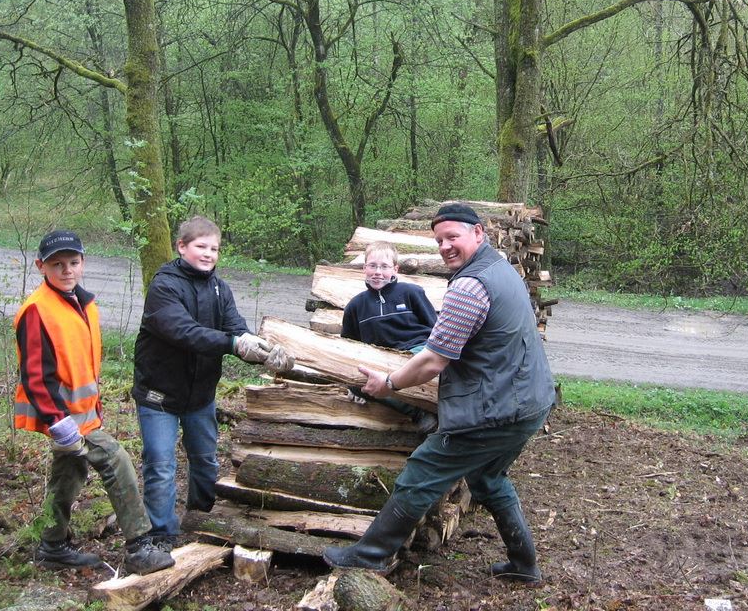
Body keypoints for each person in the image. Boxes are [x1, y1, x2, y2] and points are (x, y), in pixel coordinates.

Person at [323, 203, 556, 582]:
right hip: (531, 402)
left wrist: (388, 384)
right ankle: (524, 565)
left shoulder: (470, 287)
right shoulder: (499, 268)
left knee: (421, 472)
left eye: (452, 237)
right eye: (439, 240)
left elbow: (433, 360)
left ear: (478, 233)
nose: (445, 246)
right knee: (488, 479)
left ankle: (370, 555)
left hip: (495, 410)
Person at [15, 231, 174, 575]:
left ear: (83, 263)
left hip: (83, 415)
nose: (67, 270)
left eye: (73, 262)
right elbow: (35, 376)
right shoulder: (37, 310)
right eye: (57, 264)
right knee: (116, 459)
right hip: (65, 418)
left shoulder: (83, 304)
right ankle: (139, 546)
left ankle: (52, 545)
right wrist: (59, 423)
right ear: (41, 266)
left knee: (69, 472)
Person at [132, 216, 291, 550]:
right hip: (159, 395)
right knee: (161, 465)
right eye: (201, 246)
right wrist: (234, 344)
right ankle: (162, 535)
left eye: (214, 248)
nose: (208, 254)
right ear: (181, 247)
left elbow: (236, 328)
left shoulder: (220, 288)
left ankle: (202, 518)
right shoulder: (164, 287)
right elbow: (184, 332)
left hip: (200, 395)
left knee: (205, 461)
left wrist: (262, 351)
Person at [341, 241, 438, 432]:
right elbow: (349, 345)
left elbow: (435, 328)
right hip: (381, 359)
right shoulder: (355, 306)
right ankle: (419, 413)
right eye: (372, 266)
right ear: (364, 268)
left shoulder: (411, 292)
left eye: (384, 266)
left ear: (395, 269)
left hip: (417, 351)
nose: (378, 272)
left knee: (413, 364)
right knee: (355, 382)